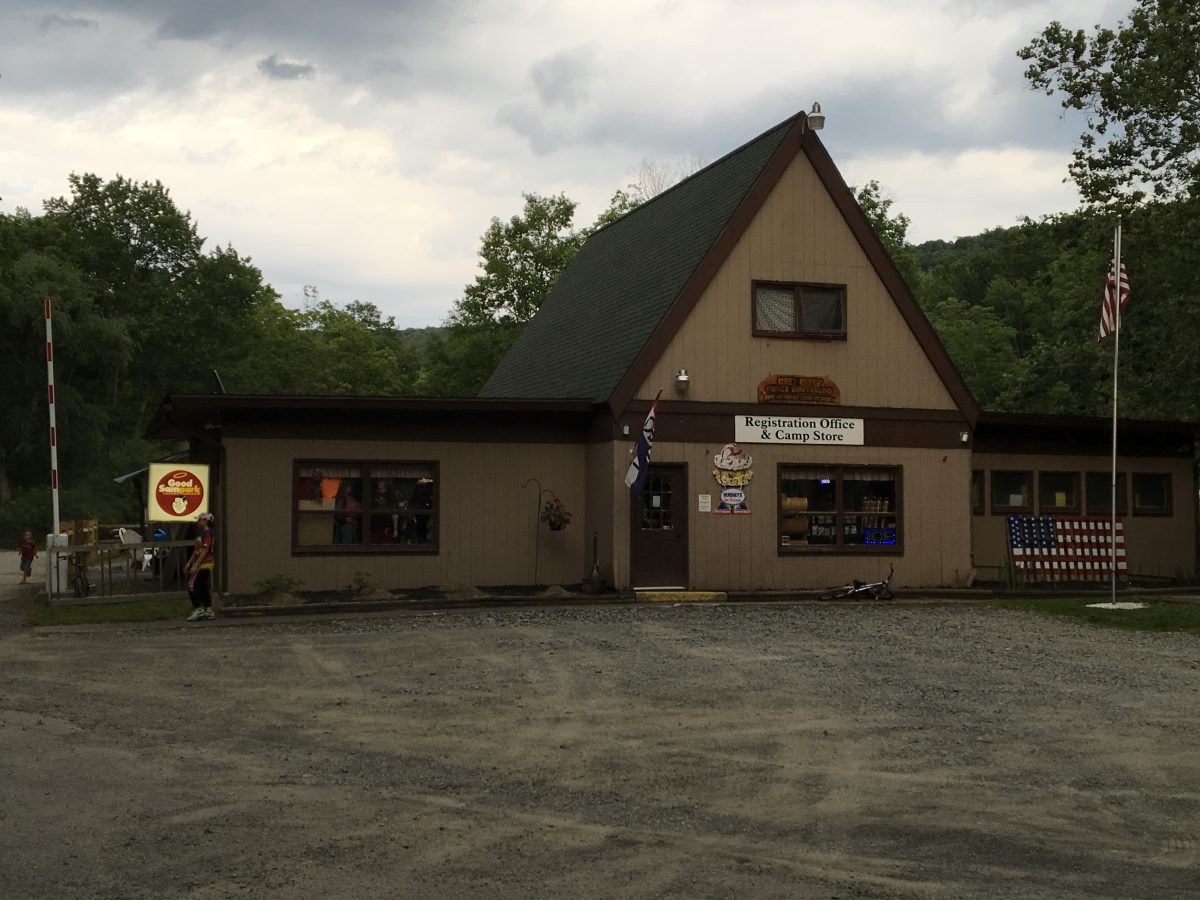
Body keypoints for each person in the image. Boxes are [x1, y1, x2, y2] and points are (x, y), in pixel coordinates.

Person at [184, 513, 217, 621]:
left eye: (200, 520)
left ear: (206, 521)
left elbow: (205, 550)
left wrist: (196, 564)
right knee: (203, 586)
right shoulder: (201, 534)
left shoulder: (208, 534)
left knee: (191, 585)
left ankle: (198, 609)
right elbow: (196, 550)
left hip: (204, 564)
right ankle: (209, 610)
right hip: (200, 563)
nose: (198, 522)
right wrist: (189, 563)